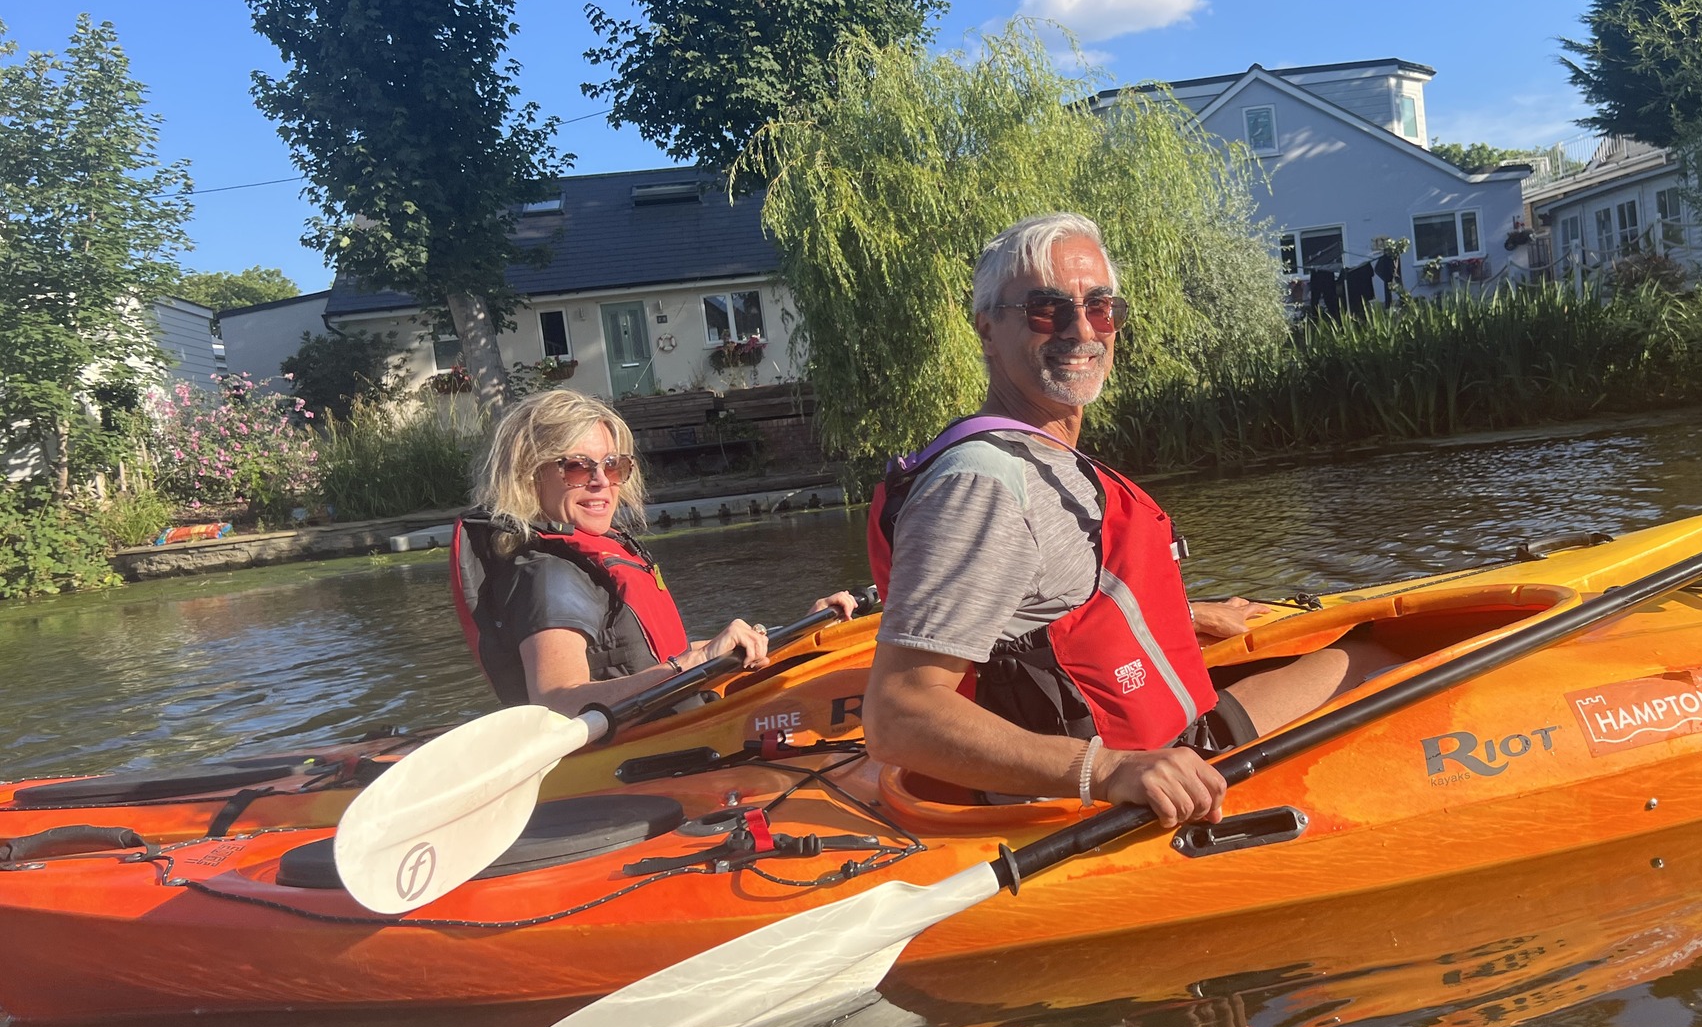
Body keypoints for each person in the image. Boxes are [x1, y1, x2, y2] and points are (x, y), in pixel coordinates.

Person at [864, 213, 1399, 828]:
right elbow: (898, 714)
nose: (1081, 329)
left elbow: (1042, 613)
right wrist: (1110, 770)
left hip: (1169, 741)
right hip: (1113, 789)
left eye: (1100, 307)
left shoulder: (1040, 451)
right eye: (1047, 309)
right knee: (1377, 663)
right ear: (987, 329)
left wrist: (1190, 615)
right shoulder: (983, 485)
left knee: (1368, 651)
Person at [452, 387, 855, 713]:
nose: (601, 482)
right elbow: (556, 701)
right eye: (576, 467)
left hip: (680, 725)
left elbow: (657, 658)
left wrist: (799, 633)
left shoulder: (587, 556)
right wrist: (690, 664)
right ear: (529, 474)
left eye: (612, 466)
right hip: (638, 763)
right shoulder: (548, 575)